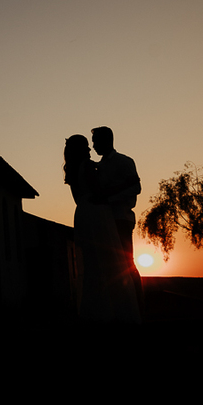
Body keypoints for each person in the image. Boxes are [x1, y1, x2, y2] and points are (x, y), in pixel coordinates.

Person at [64, 135, 139, 323]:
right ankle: (117, 308)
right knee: (109, 259)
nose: (90, 150)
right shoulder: (88, 166)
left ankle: (95, 308)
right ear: (82, 149)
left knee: (91, 261)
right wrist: (125, 185)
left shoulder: (72, 170)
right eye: (87, 146)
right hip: (96, 213)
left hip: (82, 212)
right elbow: (99, 192)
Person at [90, 126, 144, 315]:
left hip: (121, 218)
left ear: (106, 141)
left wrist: (109, 198)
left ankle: (137, 303)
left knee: (127, 263)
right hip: (106, 220)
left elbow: (135, 188)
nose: (94, 145)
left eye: (96, 141)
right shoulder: (99, 167)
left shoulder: (124, 161)